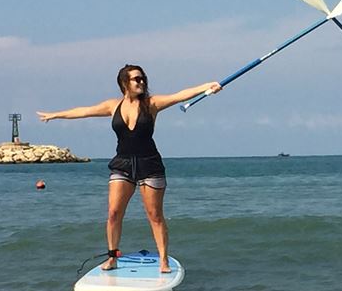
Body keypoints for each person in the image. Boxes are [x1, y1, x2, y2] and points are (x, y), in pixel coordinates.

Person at [38, 64, 222, 272]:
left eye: (143, 78)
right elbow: (84, 111)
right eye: (137, 79)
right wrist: (55, 115)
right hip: (122, 164)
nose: (142, 82)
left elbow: (180, 95)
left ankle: (163, 259)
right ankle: (113, 257)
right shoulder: (112, 106)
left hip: (149, 164)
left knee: (155, 215)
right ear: (125, 83)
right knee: (114, 213)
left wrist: (208, 86)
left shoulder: (152, 104)